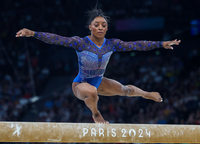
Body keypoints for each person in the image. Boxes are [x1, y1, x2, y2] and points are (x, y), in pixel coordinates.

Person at [16, 8, 181, 124]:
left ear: (107, 28)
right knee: (92, 92)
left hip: (99, 81)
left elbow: (137, 45)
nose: (100, 27)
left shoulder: (112, 44)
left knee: (125, 90)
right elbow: (57, 39)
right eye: (96, 24)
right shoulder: (80, 43)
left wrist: (161, 43)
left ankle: (146, 94)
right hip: (81, 84)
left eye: (103, 25)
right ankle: (96, 114)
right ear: (90, 27)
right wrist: (33, 33)